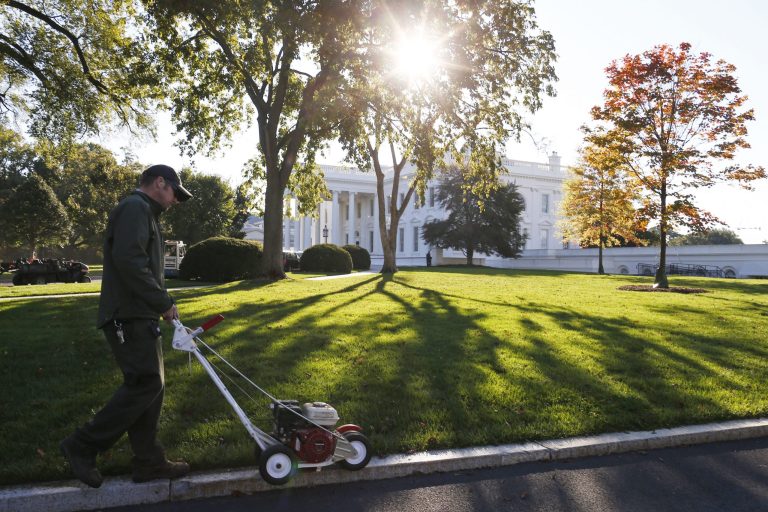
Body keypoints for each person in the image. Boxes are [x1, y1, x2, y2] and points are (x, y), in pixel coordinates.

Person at [60, 165, 193, 488]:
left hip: (139, 314)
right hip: (127, 316)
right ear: (160, 183)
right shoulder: (135, 208)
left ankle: (148, 462)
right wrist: (162, 301)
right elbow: (130, 261)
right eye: (175, 192)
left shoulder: (143, 211)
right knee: (145, 383)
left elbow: (140, 263)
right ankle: (82, 445)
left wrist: (159, 303)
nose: (175, 200)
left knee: (152, 386)